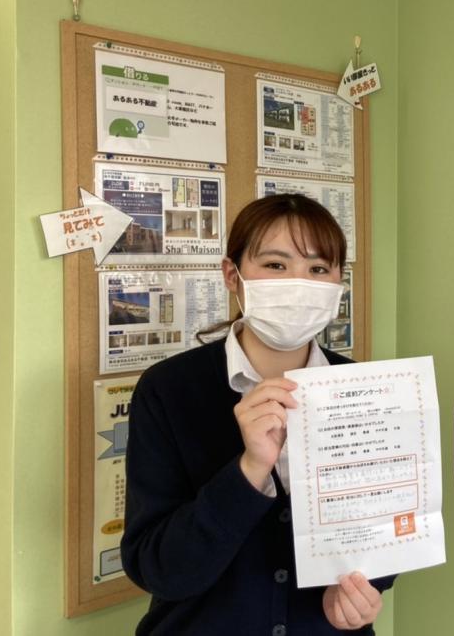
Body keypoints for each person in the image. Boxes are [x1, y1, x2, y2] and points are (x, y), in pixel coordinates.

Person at [122, 194, 392, 635]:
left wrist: (362, 591)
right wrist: (249, 470)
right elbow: (158, 568)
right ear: (233, 275)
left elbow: (384, 533)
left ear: (338, 282)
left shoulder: (363, 389)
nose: (298, 283)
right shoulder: (168, 390)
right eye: (275, 265)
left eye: (318, 269)